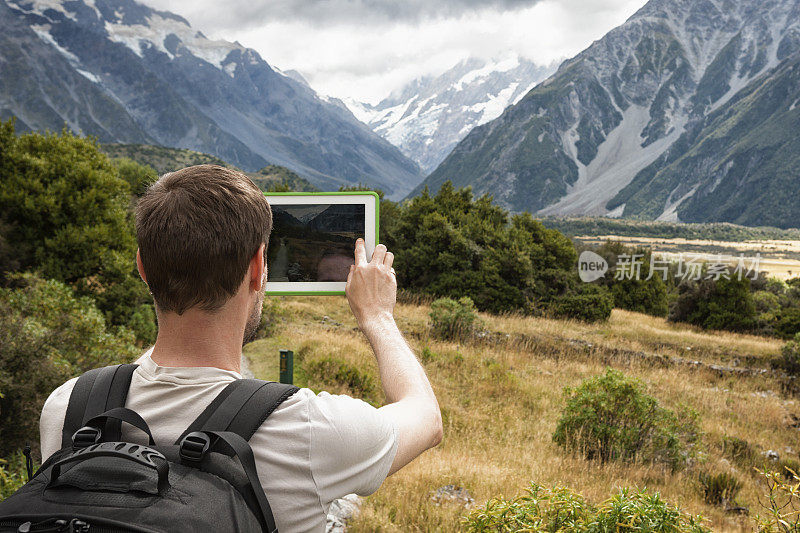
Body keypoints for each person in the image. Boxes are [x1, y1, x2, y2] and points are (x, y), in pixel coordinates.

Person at [37, 165, 443, 532]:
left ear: (142, 267)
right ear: (256, 268)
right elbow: (426, 417)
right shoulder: (309, 428)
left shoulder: (68, 407)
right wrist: (377, 316)